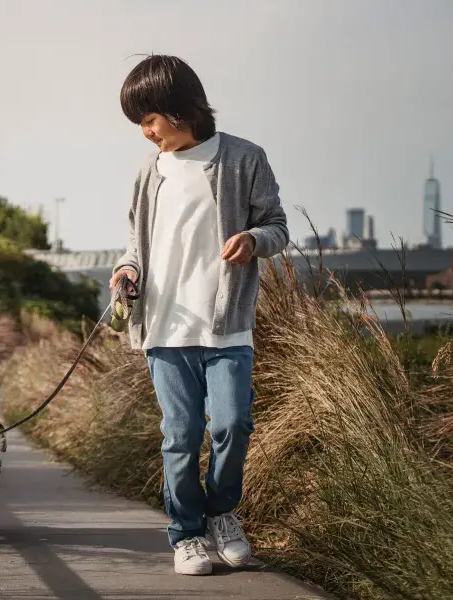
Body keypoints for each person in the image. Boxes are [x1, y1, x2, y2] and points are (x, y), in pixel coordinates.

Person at [110, 55, 288, 576]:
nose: (145, 133)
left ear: (178, 109)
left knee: (233, 425)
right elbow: (134, 244)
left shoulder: (243, 158)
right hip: (164, 327)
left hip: (227, 324)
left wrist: (255, 239)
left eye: (148, 120)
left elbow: (277, 225)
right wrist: (125, 271)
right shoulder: (149, 172)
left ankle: (223, 514)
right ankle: (186, 534)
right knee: (181, 437)